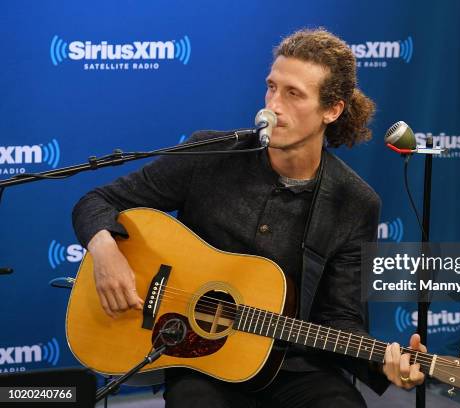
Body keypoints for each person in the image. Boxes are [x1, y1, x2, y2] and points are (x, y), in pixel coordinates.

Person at [72, 28, 426, 408]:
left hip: (298, 368)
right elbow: (97, 201)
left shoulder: (354, 201)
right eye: (272, 87)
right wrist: (105, 249)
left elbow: (341, 318)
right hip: (202, 362)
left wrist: (384, 364)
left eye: (293, 94)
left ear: (332, 110)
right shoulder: (211, 156)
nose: (273, 104)